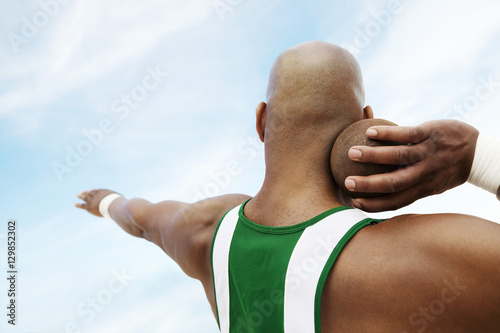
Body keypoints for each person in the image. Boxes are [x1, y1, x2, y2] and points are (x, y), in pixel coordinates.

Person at [76, 41, 500, 332]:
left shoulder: (201, 231)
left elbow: (139, 218)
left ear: (261, 121)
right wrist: (476, 158)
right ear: (366, 119)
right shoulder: (441, 255)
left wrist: (105, 201)